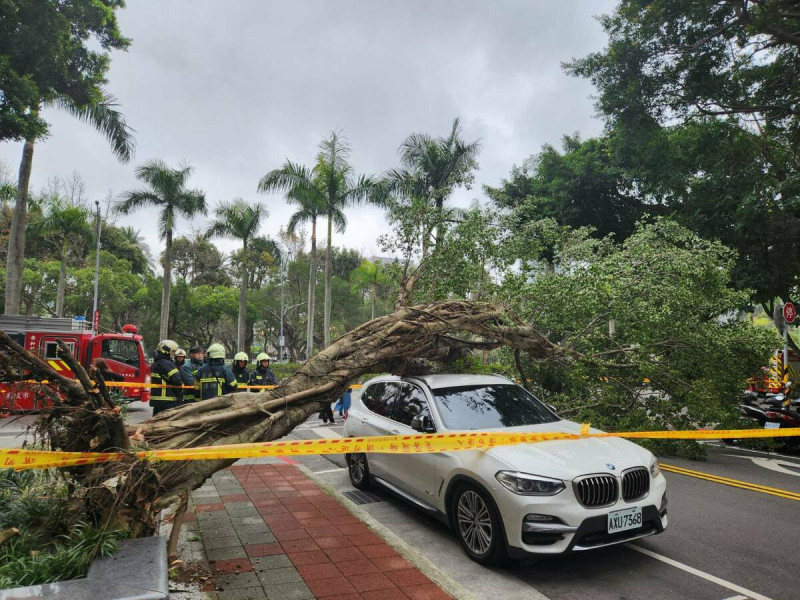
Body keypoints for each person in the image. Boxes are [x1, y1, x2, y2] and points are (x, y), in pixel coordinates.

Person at [150, 339, 184, 415]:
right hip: (167, 401)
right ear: (167, 351)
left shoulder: (158, 362)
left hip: (159, 401)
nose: (173, 354)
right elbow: (177, 380)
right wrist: (180, 392)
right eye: (172, 352)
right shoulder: (166, 363)